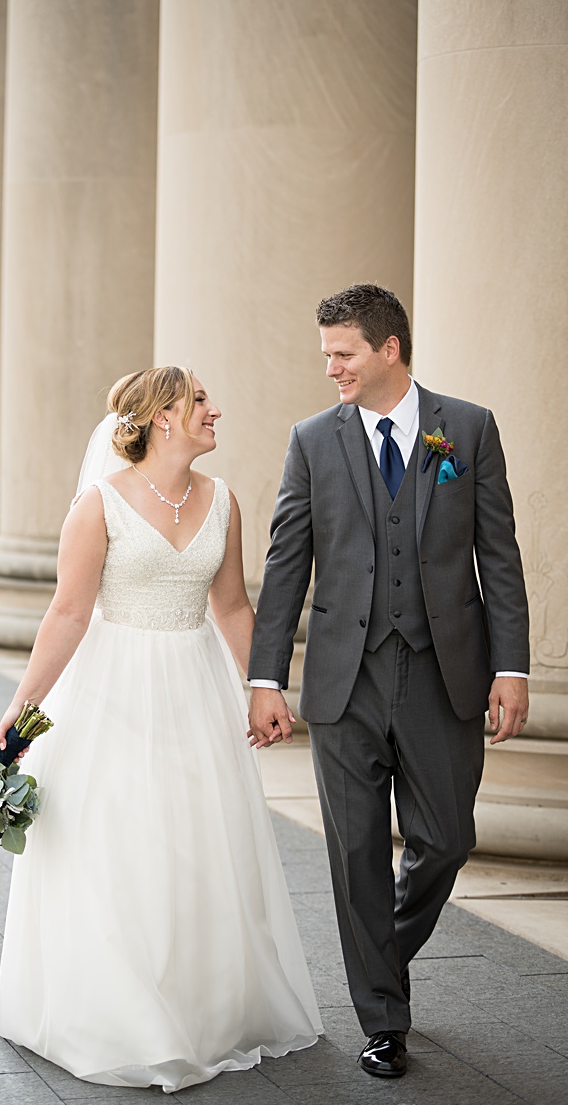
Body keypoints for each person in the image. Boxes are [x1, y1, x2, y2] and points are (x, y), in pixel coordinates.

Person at [0, 367, 322, 1093]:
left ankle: (200, 1005)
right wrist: (22, 708)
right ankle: (125, 1015)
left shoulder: (223, 499)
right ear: (161, 417)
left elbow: (234, 606)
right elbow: (69, 614)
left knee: (197, 842)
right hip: (112, 688)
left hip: (196, 689)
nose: (215, 411)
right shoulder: (98, 505)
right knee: (120, 843)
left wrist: (265, 687)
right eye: (200, 401)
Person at [248, 284, 530, 1078]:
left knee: (446, 841)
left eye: (342, 353)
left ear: (388, 350)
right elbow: (285, 565)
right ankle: (383, 1019)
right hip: (345, 679)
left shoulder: (467, 428)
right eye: (328, 354)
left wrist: (512, 666)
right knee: (357, 855)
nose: (331, 367)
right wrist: (266, 678)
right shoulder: (312, 440)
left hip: (448, 675)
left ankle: (380, 963)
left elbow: (499, 557)